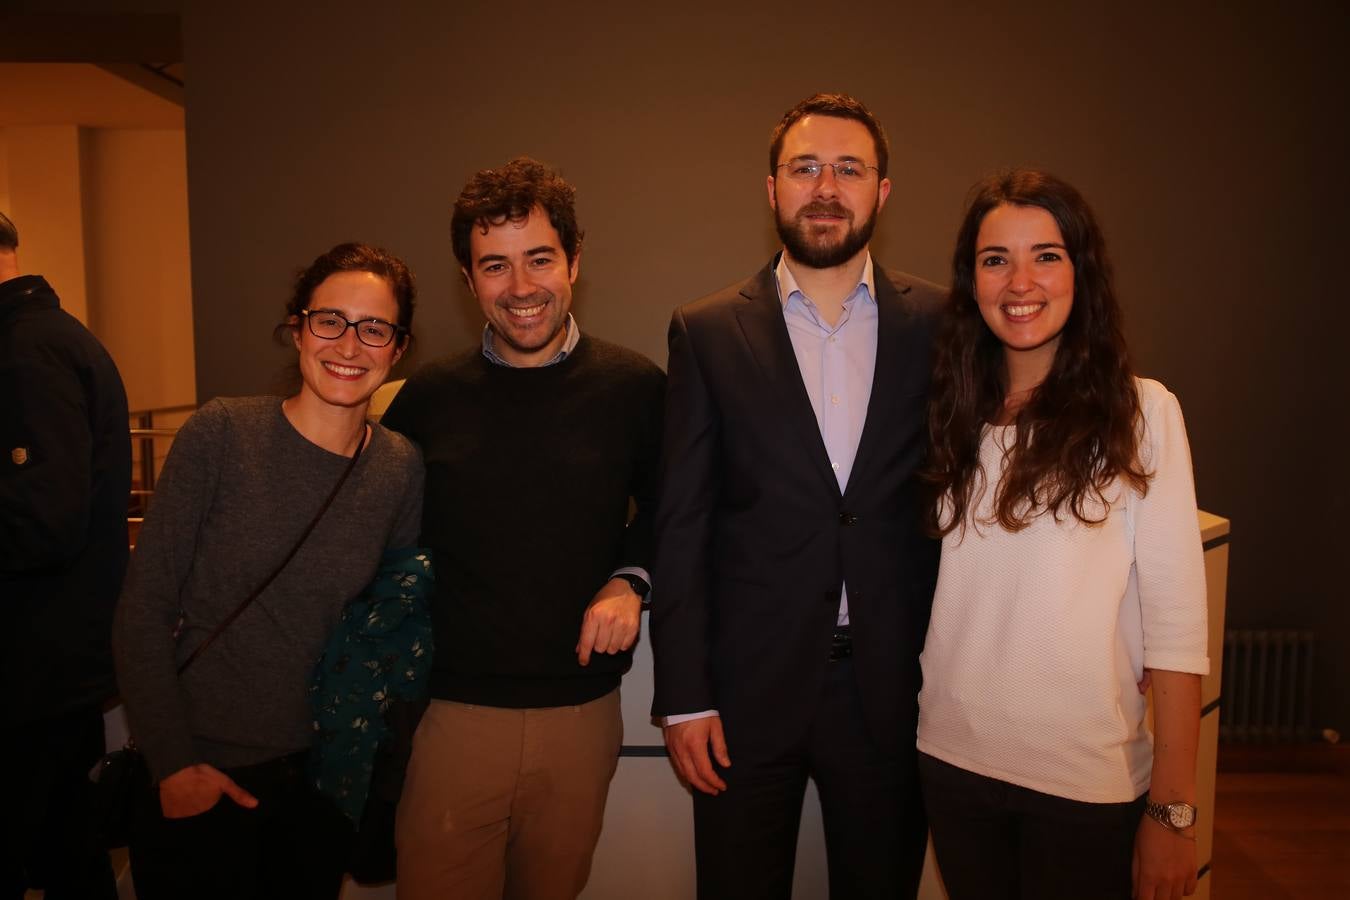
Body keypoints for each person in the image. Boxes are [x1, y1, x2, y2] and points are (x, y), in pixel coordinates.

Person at [650, 93, 943, 900]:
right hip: (746, 696)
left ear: (881, 191)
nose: (826, 186)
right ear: (770, 188)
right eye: (805, 167)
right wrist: (682, 698)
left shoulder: (944, 326)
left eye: (849, 169)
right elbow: (681, 525)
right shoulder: (705, 330)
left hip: (894, 692)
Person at [916, 168, 1208, 900]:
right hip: (951, 763)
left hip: (1086, 783)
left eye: (1046, 255)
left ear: (1082, 271)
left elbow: (1175, 632)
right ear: (971, 279)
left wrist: (1172, 814)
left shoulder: (1143, 416)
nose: (1021, 281)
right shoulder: (946, 413)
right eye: (995, 260)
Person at [381, 157, 664, 900]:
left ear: (574, 260)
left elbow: (676, 507)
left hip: (583, 715)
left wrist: (631, 580)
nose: (520, 287)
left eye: (539, 258)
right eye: (494, 266)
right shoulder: (424, 401)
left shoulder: (634, 389)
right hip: (450, 720)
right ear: (469, 281)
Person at [112, 242, 425, 900]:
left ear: (398, 349)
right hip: (202, 771)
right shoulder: (223, 433)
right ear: (298, 327)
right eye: (329, 320)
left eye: (374, 327)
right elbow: (142, 611)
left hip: (318, 784)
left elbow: (387, 623)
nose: (349, 344)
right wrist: (174, 767)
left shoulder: (398, 467)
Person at [0, 211, 128, 900]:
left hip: (34, 669)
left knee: (61, 857)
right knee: (65, 855)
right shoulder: (37, 339)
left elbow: (42, 519)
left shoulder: (28, 350)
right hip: (47, 666)